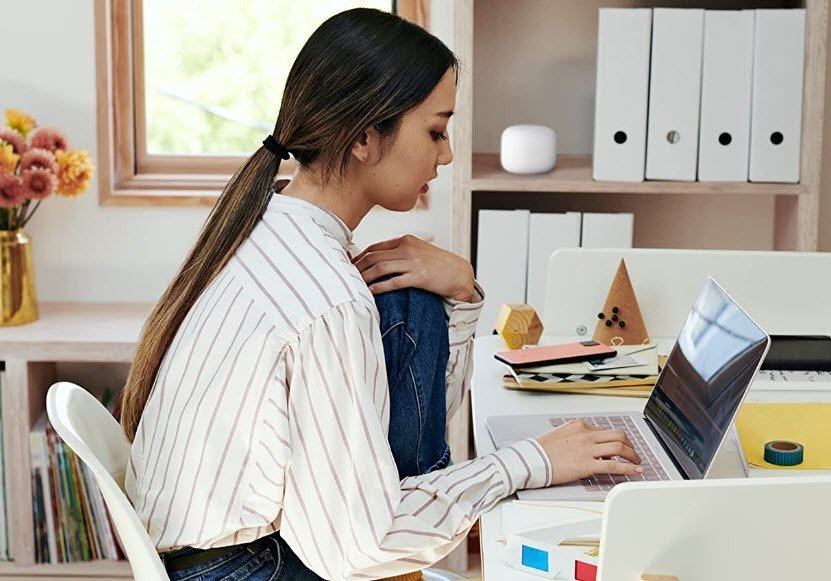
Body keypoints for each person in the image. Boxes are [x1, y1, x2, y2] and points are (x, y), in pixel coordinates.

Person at [119, 8, 643, 580]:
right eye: (436, 131)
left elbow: (421, 429)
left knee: (409, 305)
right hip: (246, 570)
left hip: (225, 554)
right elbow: (364, 546)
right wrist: (534, 461)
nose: (445, 155)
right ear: (366, 137)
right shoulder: (327, 299)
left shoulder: (264, 225)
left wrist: (462, 293)